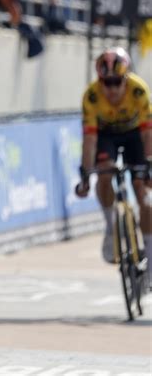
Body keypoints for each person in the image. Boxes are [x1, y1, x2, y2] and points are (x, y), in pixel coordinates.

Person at [75, 47, 152, 279]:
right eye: (106, 83)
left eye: (117, 82)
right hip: (105, 135)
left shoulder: (138, 91)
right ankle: (110, 227)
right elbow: (89, 140)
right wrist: (86, 174)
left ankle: (150, 253)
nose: (112, 89)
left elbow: (149, 134)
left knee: (144, 194)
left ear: (125, 78)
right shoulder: (91, 96)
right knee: (105, 175)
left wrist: (148, 164)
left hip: (135, 135)